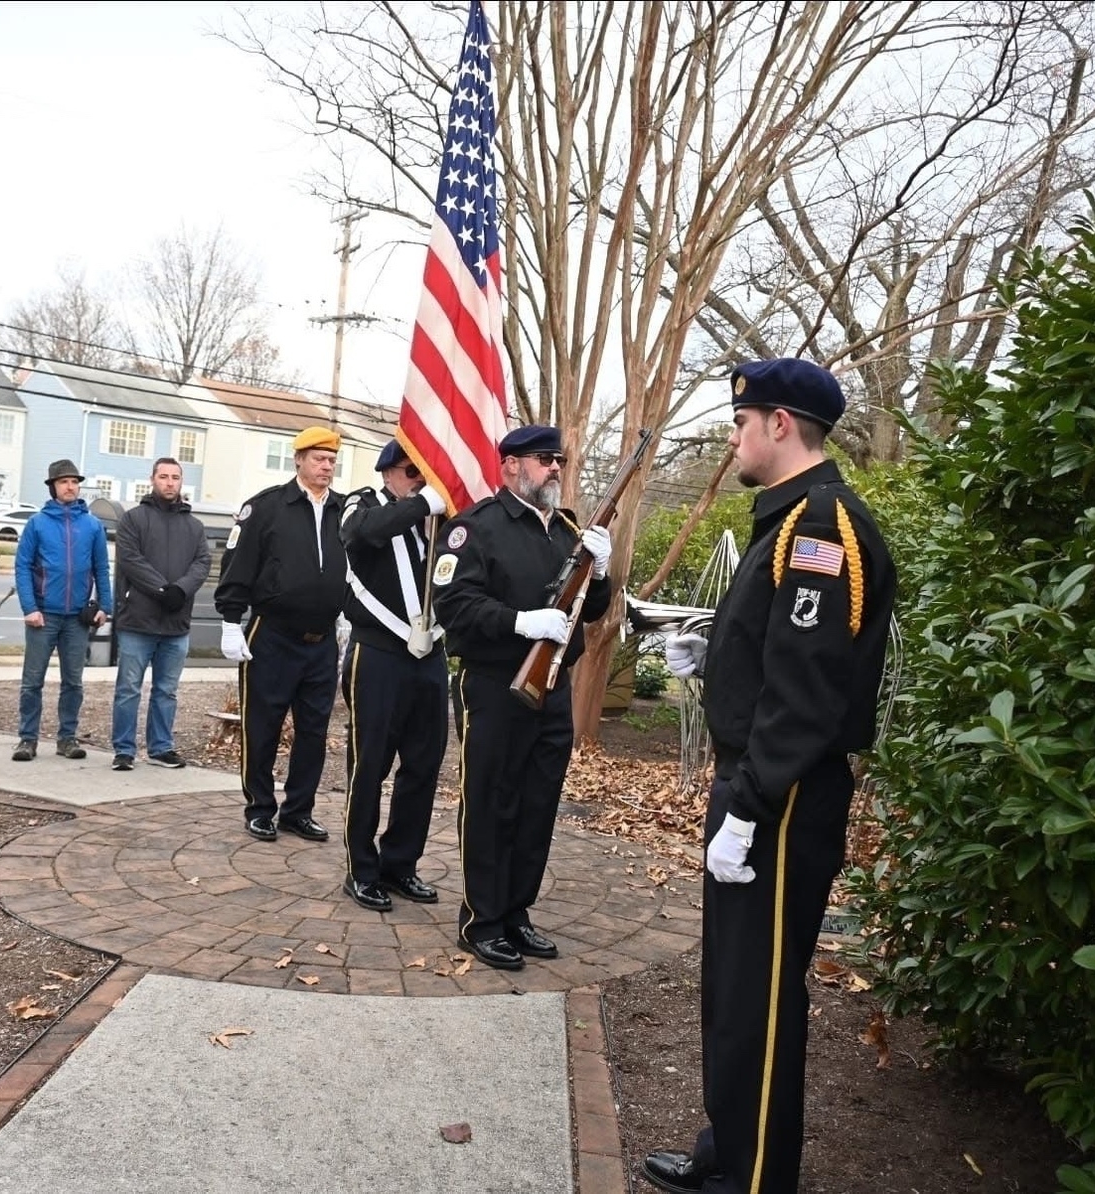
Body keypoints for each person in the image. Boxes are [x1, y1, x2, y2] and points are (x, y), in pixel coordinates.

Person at [641, 359, 896, 1194]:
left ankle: (752, 1181)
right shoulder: (788, 519)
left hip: (779, 799)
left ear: (780, 423)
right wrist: (710, 656)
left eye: (742, 421)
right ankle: (728, 1152)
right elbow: (776, 650)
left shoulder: (818, 526)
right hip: (759, 787)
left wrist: (750, 807)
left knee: (759, 998)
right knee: (732, 987)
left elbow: (806, 693)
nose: (734, 435)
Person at [432, 425, 612, 970]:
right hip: (493, 686)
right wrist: (520, 621)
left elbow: (594, 609)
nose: (555, 467)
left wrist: (599, 571)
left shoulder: (568, 531)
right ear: (511, 465)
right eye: (543, 459)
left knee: (537, 806)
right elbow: (454, 606)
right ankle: (481, 921)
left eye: (558, 459)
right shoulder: (474, 529)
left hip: (552, 689)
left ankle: (516, 913)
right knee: (491, 803)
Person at [214, 425, 347, 844]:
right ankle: (259, 807)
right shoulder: (267, 507)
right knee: (263, 725)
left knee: (313, 730)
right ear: (299, 460)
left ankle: (298, 810)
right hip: (272, 635)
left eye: (331, 460)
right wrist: (230, 620)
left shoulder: (344, 511)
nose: (326, 466)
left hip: (321, 640)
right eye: (318, 458)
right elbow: (237, 565)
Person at [337, 438, 451, 912]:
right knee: (369, 765)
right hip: (378, 652)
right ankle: (361, 869)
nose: (419, 480)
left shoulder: (441, 521)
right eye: (410, 471)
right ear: (387, 471)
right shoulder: (362, 502)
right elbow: (362, 534)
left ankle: (400, 863)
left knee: (423, 767)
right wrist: (422, 501)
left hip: (431, 655)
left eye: (424, 474)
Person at [109, 456, 211, 772]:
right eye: (163, 476)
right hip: (138, 621)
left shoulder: (194, 526)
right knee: (128, 689)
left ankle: (161, 748)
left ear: (181, 482)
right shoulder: (134, 519)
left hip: (176, 624)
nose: (169, 482)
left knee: (166, 691)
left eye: (175, 477)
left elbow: (202, 562)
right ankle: (124, 750)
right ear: (152, 479)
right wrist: (162, 589)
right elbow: (130, 559)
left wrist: (180, 589)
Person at [13, 458, 112, 763]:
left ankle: (66, 739)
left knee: (73, 682)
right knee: (32, 682)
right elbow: (22, 566)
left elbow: (101, 567)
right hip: (43, 615)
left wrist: (105, 605)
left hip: (77, 619)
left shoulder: (92, 525)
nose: (70, 487)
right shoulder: (37, 523)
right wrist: (30, 607)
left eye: (74, 481)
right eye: (63, 482)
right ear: (53, 487)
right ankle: (27, 740)